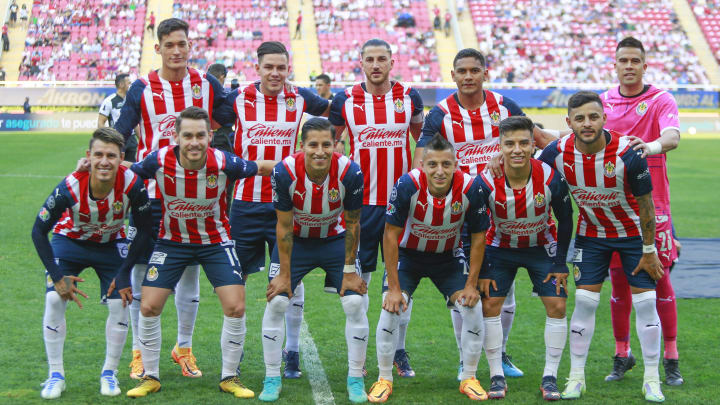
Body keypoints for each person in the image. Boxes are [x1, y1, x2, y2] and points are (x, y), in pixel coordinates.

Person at [417, 48, 557, 379]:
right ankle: (465, 357)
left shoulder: (504, 106)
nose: (468, 76)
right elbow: (422, 157)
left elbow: (536, 138)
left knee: (503, 288)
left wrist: (575, 144)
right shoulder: (440, 114)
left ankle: (501, 353)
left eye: (474, 70)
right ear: (453, 75)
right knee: (464, 287)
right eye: (462, 71)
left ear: (485, 73)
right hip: (461, 213)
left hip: (503, 211)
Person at [122, 106, 275, 398]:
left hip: (214, 242)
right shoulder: (159, 159)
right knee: (148, 306)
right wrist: (93, 165)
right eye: (188, 135)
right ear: (177, 137)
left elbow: (261, 167)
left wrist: (298, 166)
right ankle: (150, 377)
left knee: (235, 306)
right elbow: (130, 172)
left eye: (200, 135)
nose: (194, 142)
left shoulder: (223, 162)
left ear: (210, 136)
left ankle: (230, 377)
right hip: (171, 242)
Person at [114, 18, 231, 381]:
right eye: (170, 45)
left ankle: (184, 348)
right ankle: (138, 352)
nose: (177, 51)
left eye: (182, 44)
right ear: (159, 48)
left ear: (189, 46)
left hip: (197, 194)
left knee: (190, 272)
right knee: (139, 269)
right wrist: (98, 154)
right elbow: (119, 133)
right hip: (152, 194)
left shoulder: (206, 84)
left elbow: (234, 117)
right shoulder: (141, 88)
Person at [537, 91, 665, 402]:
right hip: (591, 235)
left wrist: (650, 250)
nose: (587, 123)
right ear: (569, 123)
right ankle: (576, 378)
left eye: (593, 117)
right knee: (584, 303)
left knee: (646, 303)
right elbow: (529, 172)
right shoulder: (556, 152)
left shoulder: (627, 153)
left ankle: (652, 379)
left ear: (604, 118)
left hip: (634, 235)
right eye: (579, 118)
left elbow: (647, 206)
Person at [227, 41, 330, 379]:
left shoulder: (301, 98)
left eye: (280, 67)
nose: (274, 73)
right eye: (268, 67)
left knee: (291, 279)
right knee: (235, 282)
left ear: (289, 69)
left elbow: (338, 113)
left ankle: (293, 352)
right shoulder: (238, 98)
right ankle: (235, 354)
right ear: (256, 67)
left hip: (286, 204)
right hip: (245, 203)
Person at [31, 128, 153, 399]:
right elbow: (38, 231)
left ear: (122, 158)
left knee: (121, 300)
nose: (104, 161)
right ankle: (55, 375)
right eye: (98, 154)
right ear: (89, 156)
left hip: (110, 243)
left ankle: (109, 373)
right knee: (53, 299)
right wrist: (58, 276)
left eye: (111, 155)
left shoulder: (132, 183)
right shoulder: (71, 186)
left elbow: (146, 229)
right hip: (69, 241)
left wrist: (125, 273)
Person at [368, 134, 490, 403]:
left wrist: (471, 284)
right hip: (409, 256)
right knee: (390, 308)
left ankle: (469, 377)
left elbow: (480, 237)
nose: (439, 171)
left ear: (456, 165)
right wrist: (394, 288)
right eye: (432, 164)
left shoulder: (470, 187)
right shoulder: (407, 185)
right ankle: (384, 378)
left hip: (447, 257)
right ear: (422, 165)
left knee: (473, 306)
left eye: (446, 164)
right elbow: (390, 236)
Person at [329, 38, 424, 378]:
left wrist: (414, 183)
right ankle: (361, 354)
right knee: (360, 281)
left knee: (402, 279)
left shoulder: (409, 96)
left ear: (391, 61)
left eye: (381, 59)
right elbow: (330, 142)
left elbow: (422, 141)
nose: (375, 65)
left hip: (401, 205)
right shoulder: (345, 99)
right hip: (361, 205)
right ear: (360, 62)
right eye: (369, 59)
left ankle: (398, 351)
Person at [259, 118, 368, 403]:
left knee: (355, 302)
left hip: (334, 239)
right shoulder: (284, 172)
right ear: (302, 146)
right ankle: (271, 377)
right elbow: (283, 226)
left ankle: (356, 377)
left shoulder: (350, 172)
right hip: (297, 241)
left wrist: (348, 269)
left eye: (326, 145)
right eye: (313, 145)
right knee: (278, 300)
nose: (320, 151)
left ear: (335, 145)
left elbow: (353, 223)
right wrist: (283, 274)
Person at [601, 37, 683, 386]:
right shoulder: (603, 101)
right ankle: (623, 354)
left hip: (654, 207)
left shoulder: (660, 99)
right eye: (624, 60)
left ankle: (671, 358)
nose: (629, 65)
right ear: (615, 65)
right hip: (614, 207)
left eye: (636, 60)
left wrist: (648, 146)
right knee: (619, 282)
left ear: (645, 65)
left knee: (660, 278)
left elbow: (673, 136)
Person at [476, 116, 573, 400]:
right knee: (491, 302)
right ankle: (496, 375)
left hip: (542, 246)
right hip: (499, 247)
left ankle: (550, 377)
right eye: (509, 144)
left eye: (523, 143)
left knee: (557, 304)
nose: (517, 150)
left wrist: (560, 262)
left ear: (533, 145)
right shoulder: (485, 181)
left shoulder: (551, 177)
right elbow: (477, 228)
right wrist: (481, 269)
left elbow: (566, 221)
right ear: (500, 146)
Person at [99, 74, 139, 162]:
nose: (131, 85)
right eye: (129, 83)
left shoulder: (131, 100)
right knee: (117, 167)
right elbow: (100, 123)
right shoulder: (109, 101)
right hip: (117, 138)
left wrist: (141, 139)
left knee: (132, 169)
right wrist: (109, 137)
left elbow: (134, 122)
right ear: (121, 85)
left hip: (132, 139)